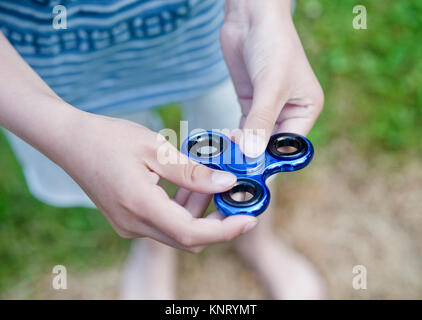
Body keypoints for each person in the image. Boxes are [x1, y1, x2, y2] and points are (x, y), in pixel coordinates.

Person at [0, 0, 325, 299]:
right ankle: (154, 241)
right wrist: (63, 129)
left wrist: (260, 12)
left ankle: (255, 238)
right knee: (119, 176)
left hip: (210, 35)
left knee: (244, 131)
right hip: (54, 71)